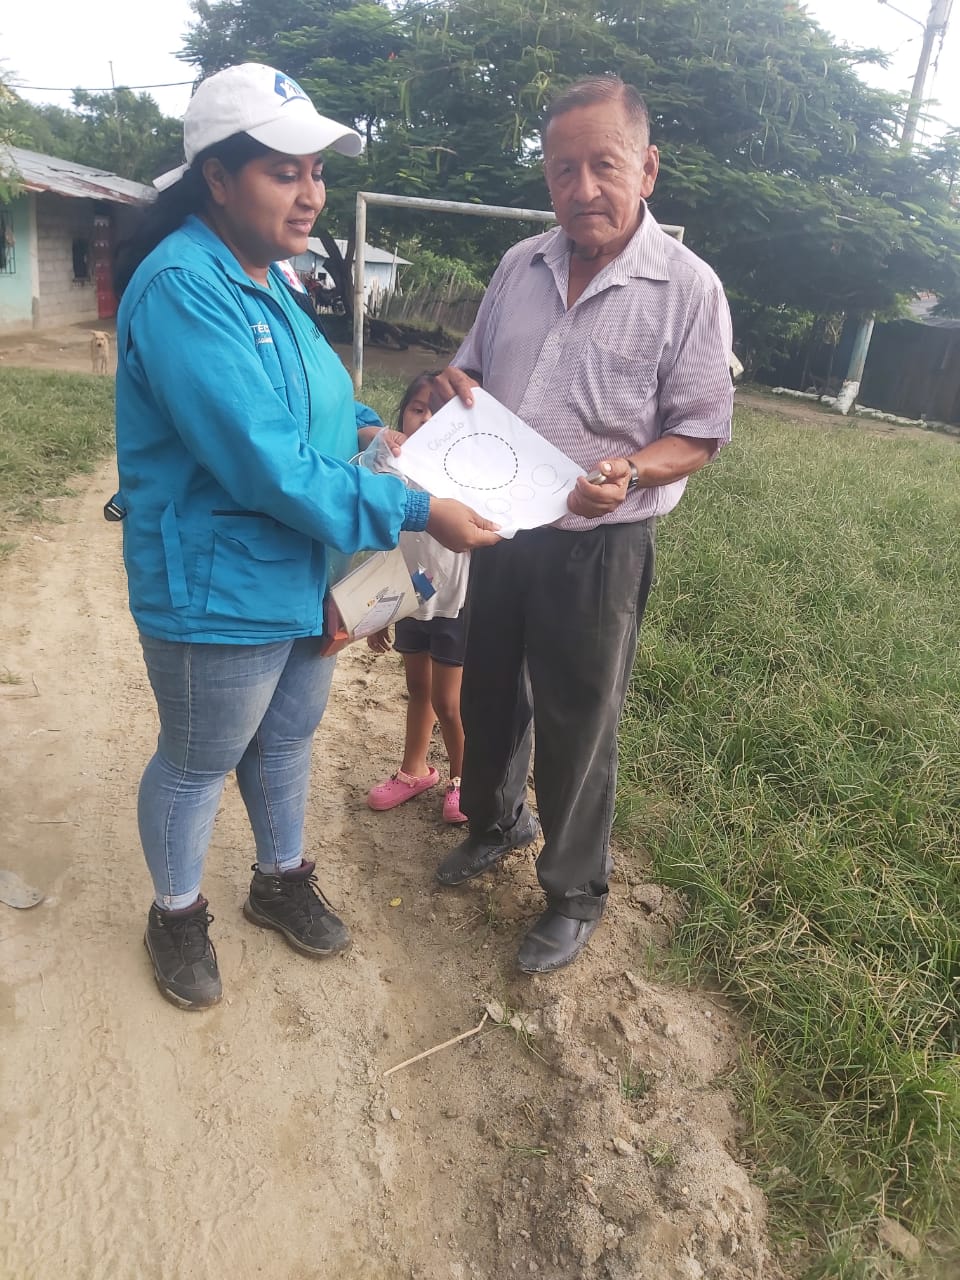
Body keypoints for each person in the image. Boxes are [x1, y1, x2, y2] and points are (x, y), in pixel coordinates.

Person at [113, 63, 498, 1011]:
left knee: (286, 738)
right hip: (218, 581)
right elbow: (266, 462)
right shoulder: (184, 289)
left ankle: (279, 878)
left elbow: (316, 406)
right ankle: (175, 912)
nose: (311, 193)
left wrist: (376, 431)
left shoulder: (271, 278)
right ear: (217, 177)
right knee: (200, 759)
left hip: (301, 567)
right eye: (285, 172)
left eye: (317, 172)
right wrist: (417, 511)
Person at [431, 75, 735, 974]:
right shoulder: (518, 266)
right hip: (501, 528)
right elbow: (469, 370)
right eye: (563, 170)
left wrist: (630, 469)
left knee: (577, 720)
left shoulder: (687, 288)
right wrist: (458, 394)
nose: (583, 188)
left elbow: (700, 431)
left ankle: (573, 892)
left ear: (647, 169)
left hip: (601, 546)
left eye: (605, 165)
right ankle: (495, 822)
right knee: (487, 693)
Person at [359, 373, 470, 826]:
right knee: (418, 690)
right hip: (410, 598)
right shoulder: (391, 470)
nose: (425, 419)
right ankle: (414, 770)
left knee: (448, 702)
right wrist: (378, 614)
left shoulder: (466, 470)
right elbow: (383, 543)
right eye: (417, 409)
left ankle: (463, 781)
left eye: (436, 413)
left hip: (455, 604)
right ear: (402, 415)